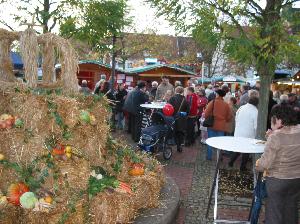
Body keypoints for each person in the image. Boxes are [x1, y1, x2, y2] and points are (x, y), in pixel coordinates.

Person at [256, 104, 300, 224]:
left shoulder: (276, 136)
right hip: (296, 179)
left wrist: (257, 163)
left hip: (278, 179)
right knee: (291, 209)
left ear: (278, 119)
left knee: (274, 213)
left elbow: (264, 165)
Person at [228, 90, 259, 170]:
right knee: (246, 151)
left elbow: (236, 118)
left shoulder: (242, 107)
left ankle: (231, 162)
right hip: (248, 134)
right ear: (256, 103)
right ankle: (242, 167)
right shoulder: (256, 111)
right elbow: (256, 126)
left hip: (238, 131)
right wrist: (256, 136)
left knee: (238, 148)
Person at [204, 89, 232, 160]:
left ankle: (209, 156)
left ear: (218, 94)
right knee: (220, 143)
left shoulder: (212, 102)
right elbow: (229, 116)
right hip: (221, 126)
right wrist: (224, 120)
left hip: (212, 125)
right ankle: (219, 157)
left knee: (210, 141)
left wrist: (208, 117)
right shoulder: (226, 104)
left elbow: (206, 113)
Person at [169, 86, 189, 152]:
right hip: (182, 118)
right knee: (180, 132)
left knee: (175, 131)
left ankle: (175, 142)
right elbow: (187, 110)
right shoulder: (185, 99)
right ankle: (179, 145)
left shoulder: (172, 98)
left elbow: (169, 108)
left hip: (174, 117)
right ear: (182, 91)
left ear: (175, 91)